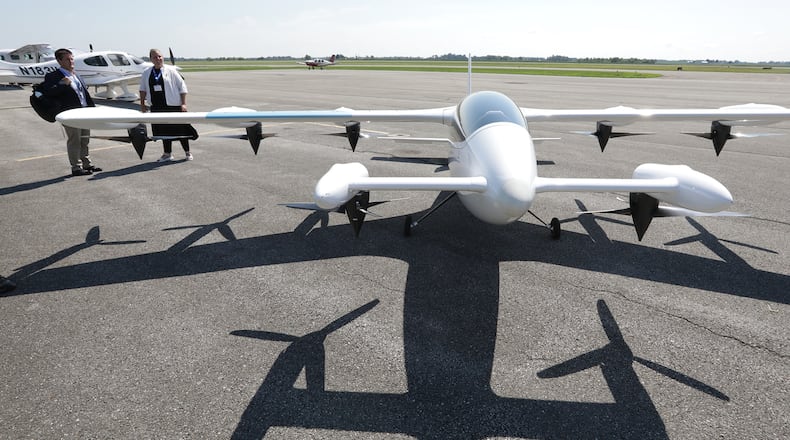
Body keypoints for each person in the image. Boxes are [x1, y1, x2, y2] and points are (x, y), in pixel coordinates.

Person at [42, 48, 101, 176]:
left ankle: (87, 164)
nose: (71, 61)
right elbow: (49, 92)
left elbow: (84, 94)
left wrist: (92, 109)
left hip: (84, 112)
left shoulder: (76, 75)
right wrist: (62, 84)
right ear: (59, 61)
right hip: (70, 114)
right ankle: (76, 167)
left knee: (85, 139)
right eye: (67, 59)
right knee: (75, 139)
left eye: (72, 58)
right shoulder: (53, 76)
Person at [139, 48, 196, 162]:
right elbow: (142, 89)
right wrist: (142, 104)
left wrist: (183, 104)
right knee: (164, 131)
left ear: (162, 57)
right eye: (155, 57)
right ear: (151, 59)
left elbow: (182, 87)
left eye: (160, 56)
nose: (158, 59)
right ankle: (167, 154)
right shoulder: (146, 73)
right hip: (157, 107)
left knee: (181, 130)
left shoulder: (171, 71)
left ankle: (187, 152)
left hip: (173, 105)